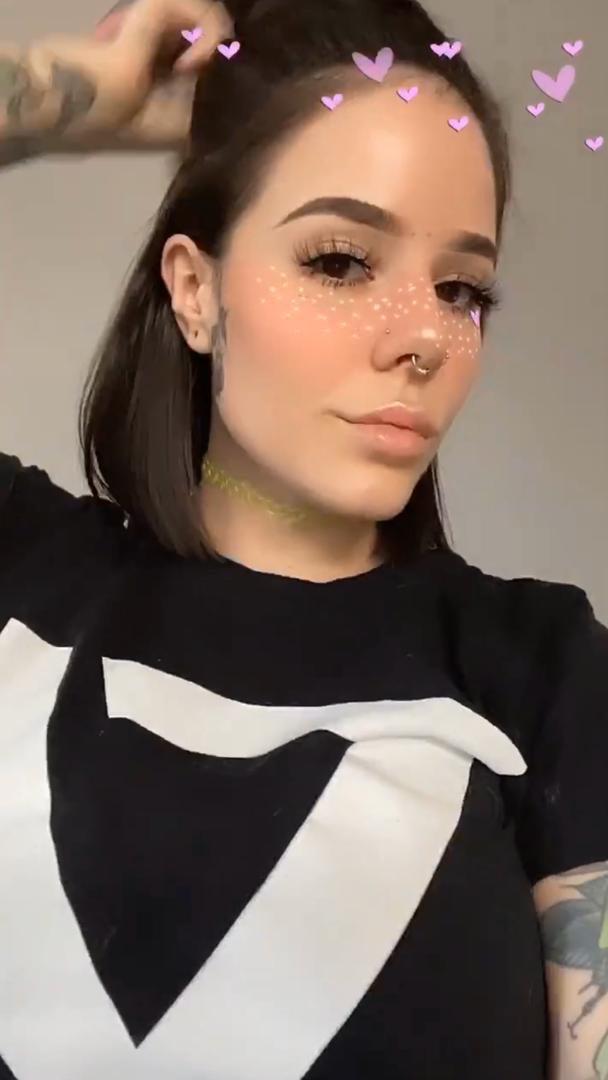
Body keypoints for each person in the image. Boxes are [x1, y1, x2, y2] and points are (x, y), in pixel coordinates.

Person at [1, 1, 607, 1077]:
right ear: (194, 289)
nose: (424, 338)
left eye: (461, 289)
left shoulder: (543, 675)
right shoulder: (22, 563)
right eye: (339, 261)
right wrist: (84, 98)